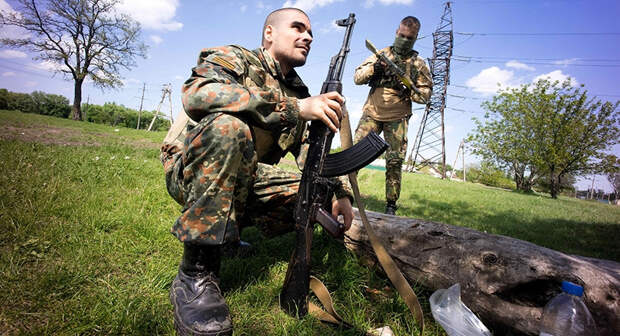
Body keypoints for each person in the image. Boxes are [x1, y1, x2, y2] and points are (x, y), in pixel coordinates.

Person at [159, 8, 354, 336]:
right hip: (190, 170)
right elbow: (198, 94)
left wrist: (338, 191)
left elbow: (311, 158)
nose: (307, 37)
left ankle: (230, 235)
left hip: (244, 178)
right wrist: (291, 109)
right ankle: (195, 274)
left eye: (311, 33)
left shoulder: (300, 92)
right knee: (228, 128)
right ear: (269, 33)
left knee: (314, 190)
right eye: (297, 28)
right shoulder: (234, 58)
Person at [353, 16, 432, 215]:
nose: (404, 40)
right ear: (397, 32)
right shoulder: (381, 54)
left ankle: (391, 205)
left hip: (398, 117)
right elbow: (357, 78)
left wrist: (407, 87)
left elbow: (425, 96)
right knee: (354, 154)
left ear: (415, 39)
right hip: (372, 112)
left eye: (409, 37)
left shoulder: (419, 65)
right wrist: (375, 68)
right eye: (402, 35)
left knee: (394, 161)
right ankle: (343, 193)